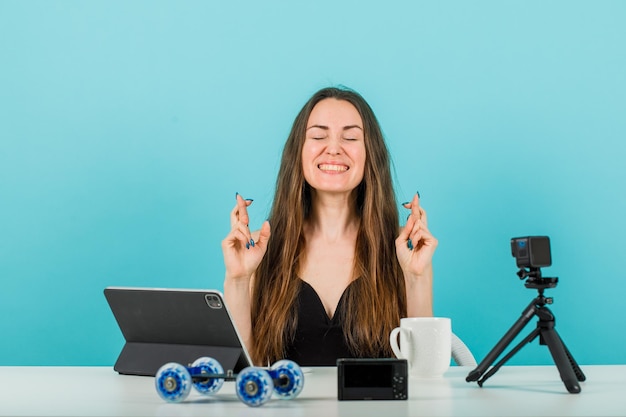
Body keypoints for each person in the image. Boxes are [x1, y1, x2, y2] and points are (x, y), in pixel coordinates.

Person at [222, 86, 438, 366]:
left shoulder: (404, 249)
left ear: (370, 154)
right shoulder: (256, 249)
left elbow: (424, 373)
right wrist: (237, 279)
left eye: (350, 137)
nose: (334, 148)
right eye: (318, 136)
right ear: (298, 152)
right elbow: (243, 372)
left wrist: (416, 277)